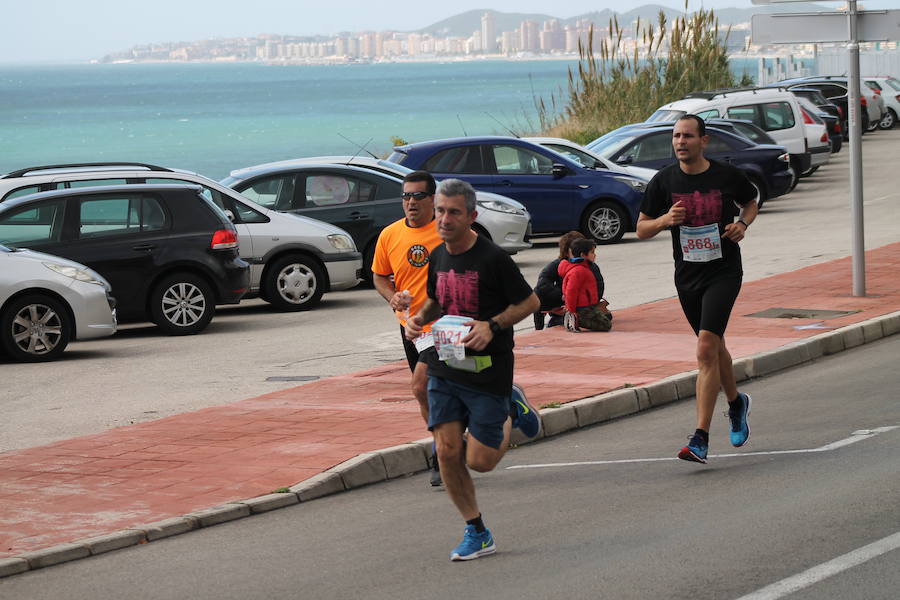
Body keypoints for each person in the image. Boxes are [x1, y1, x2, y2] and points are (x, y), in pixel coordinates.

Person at [405, 178, 541, 561]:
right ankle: (476, 529)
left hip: (489, 372)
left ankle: (513, 406)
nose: (444, 219)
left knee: (480, 462)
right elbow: (436, 299)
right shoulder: (438, 255)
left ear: (472, 216)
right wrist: (418, 319)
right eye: (441, 211)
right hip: (445, 365)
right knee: (448, 451)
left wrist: (492, 325)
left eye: (454, 212)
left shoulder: (493, 259)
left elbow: (530, 301)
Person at [636, 114, 759, 464]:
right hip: (687, 275)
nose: (680, 142)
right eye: (676, 136)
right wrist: (664, 220)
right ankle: (737, 403)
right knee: (713, 346)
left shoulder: (725, 176)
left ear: (703, 141)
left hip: (723, 270)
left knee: (706, 347)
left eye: (688, 136)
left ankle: (700, 437)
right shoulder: (664, 181)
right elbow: (642, 228)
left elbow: (750, 202)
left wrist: (742, 224)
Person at [372, 170, 445, 486]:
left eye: (417, 196)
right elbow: (379, 276)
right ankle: (447, 441)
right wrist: (392, 297)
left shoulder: (448, 231)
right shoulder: (390, 235)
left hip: (444, 326)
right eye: (406, 196)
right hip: (411, 327)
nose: (410, 202)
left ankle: (441, 453)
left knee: (420, 386)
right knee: (433, 393)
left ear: (432, 199)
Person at [533, 230, 587, 330]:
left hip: (581, 302)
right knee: (537, 293)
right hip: (562, 299)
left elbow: (598, 285)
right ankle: (539, 328)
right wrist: (562, 297)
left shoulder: (588, 264)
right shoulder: (557, 264)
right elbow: (542, 284)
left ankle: (565, 319)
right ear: (567, 252)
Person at [558, 238, 612, 332]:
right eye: (592, 252)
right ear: (583, 255)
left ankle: (579, 318)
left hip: (588, 305)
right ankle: (576, 320)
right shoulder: (578, 270)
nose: (595, 255)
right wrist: (572, 311)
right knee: (606, 325)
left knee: (607, 316)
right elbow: (571, 291)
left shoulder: (584, 267)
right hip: (582, 308)